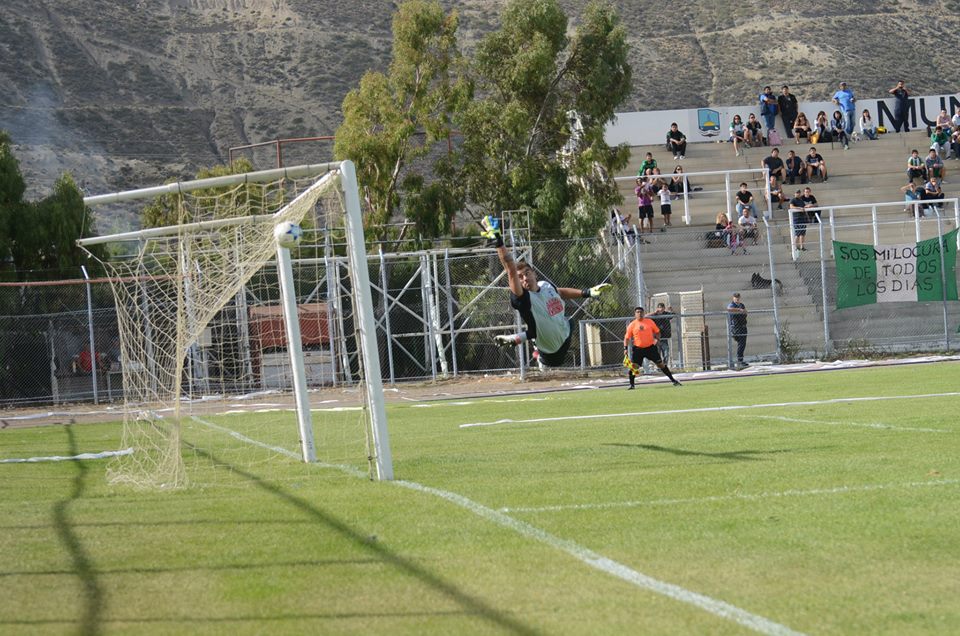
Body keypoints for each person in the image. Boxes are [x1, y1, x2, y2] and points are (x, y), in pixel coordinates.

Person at [482, 216, 611, 368]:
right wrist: (498, 241)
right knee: (546, 353)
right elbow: (509, 267)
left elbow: (559, 292)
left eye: (527, 273)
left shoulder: (545, 285)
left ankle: (519, 339)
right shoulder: (524, 298)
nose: (524, 279)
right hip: (550, 350)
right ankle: (536, 354)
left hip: (565, 333)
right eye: (520, 278)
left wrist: (586, 292)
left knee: (569, 321)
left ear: (534, 273)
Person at [624, 306, 681, 388]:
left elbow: (657, 332)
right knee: (634, 367)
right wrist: (625, 348)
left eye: (641, 312)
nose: (639, 314)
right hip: (638, 349)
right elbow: (626, 338)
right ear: (635, 314)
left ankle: (673, 381)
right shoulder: (632, 324)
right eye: (637, 312)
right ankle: (632, 385)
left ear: (643, 313)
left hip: (650, 348)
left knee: (661, 365)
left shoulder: (649, 322)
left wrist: (657, 339)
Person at [727, 293, 748, 369]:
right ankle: (739, 361)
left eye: (738, 298)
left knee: (742, 344)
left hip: (743, 326)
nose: (737, 299)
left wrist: (744, 311)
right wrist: (739, 310)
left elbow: (745, 312)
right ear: (733, 298)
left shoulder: (741, 305)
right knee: (740, 343)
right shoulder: (732, 305)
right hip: (736, 327)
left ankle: (740, 361)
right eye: (735, 298)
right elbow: (729, 309)